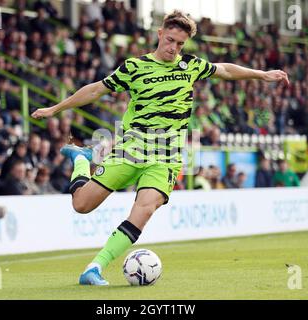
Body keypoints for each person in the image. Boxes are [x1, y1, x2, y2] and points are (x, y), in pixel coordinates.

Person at [31, 10, 289, 286]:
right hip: (131, 149)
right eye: (170, 40)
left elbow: (224, 69)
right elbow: (96, 90)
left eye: (180, 44)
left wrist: (260, 75)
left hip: (166, 157)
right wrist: (56, 108)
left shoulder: (190, 65)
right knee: (81, 205)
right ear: (159, 34)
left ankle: (94, 268)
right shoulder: (135, 67)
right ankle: (81, 159)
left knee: (145, 209)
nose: (173, 48)